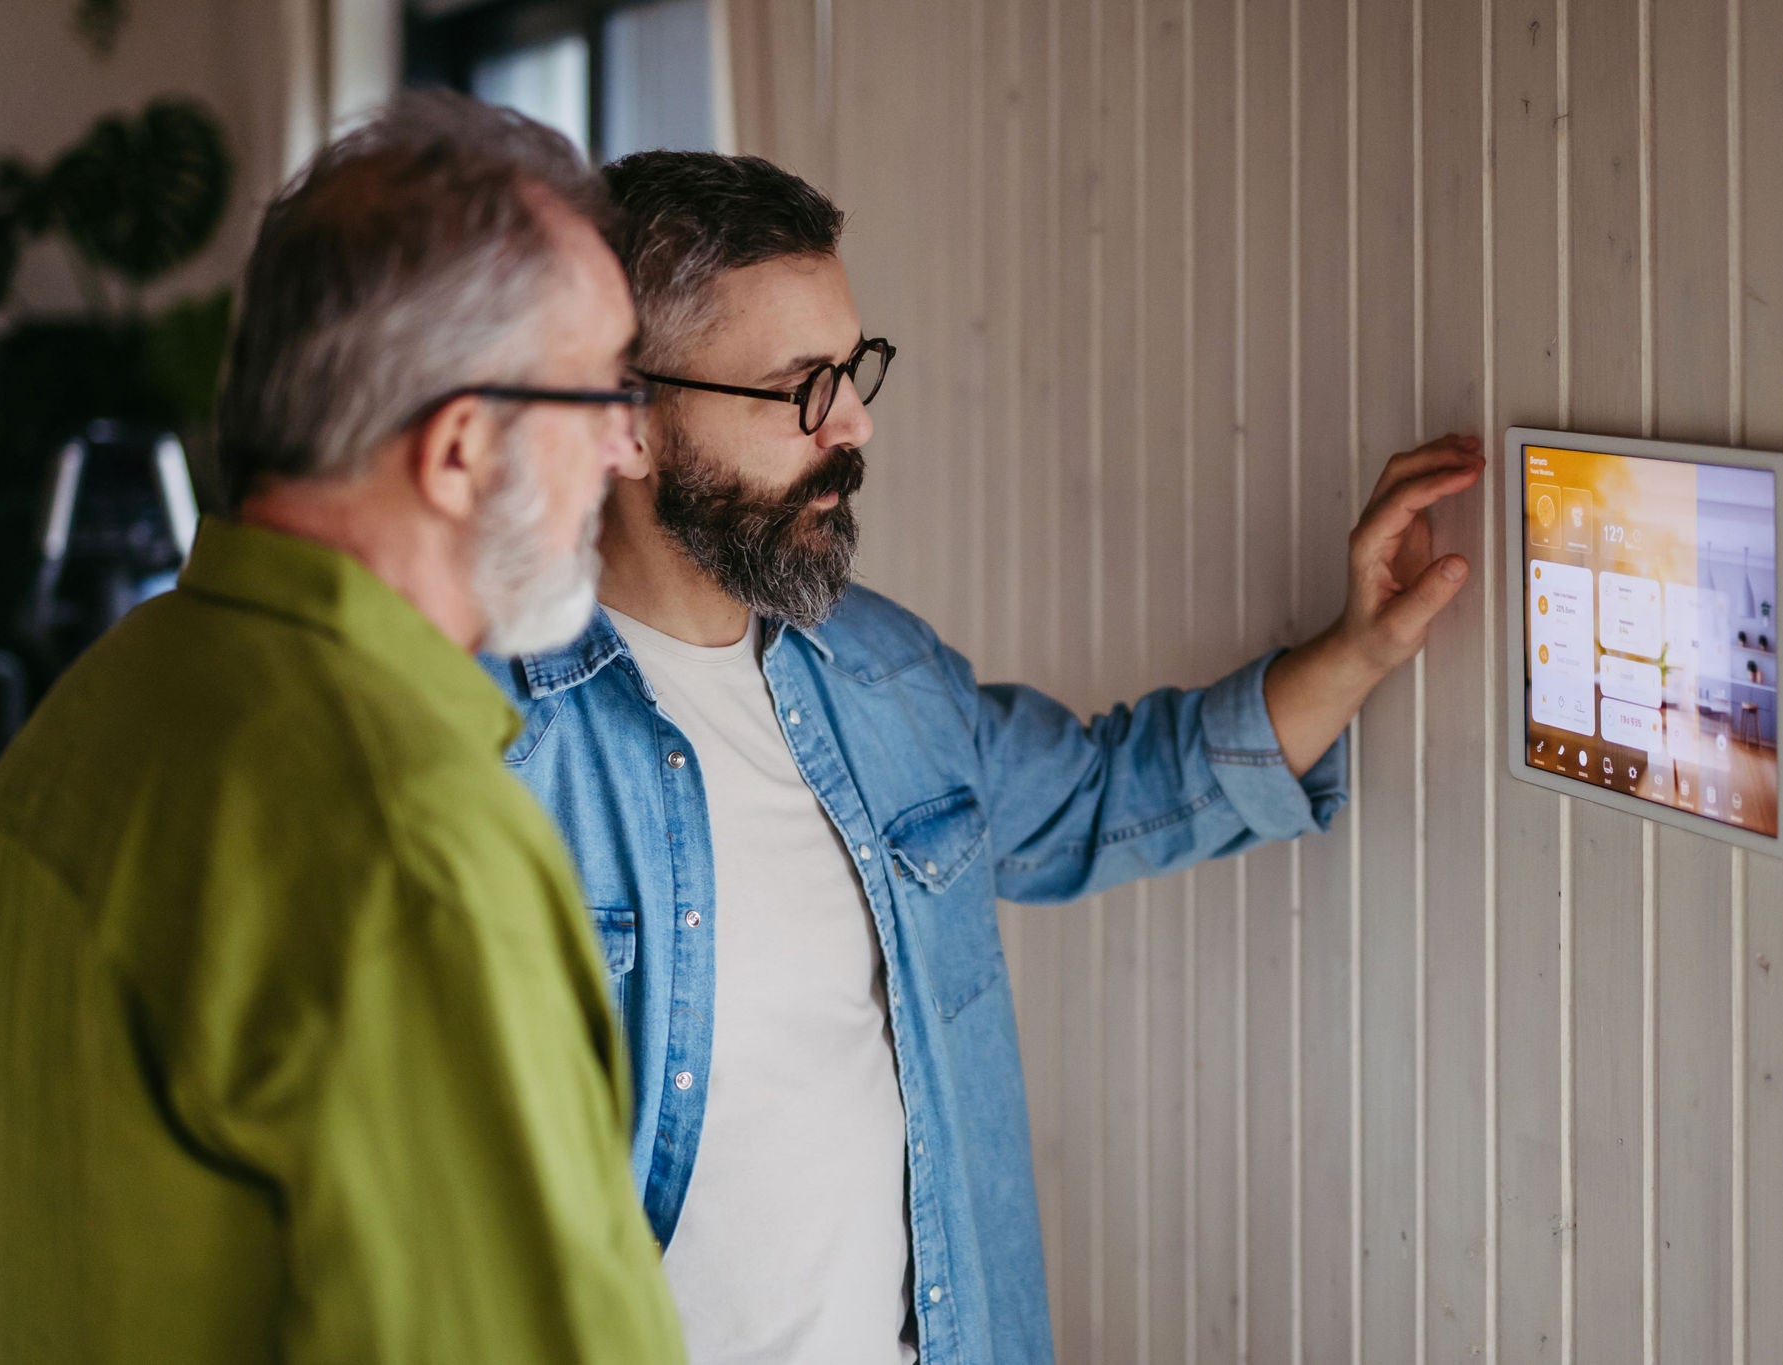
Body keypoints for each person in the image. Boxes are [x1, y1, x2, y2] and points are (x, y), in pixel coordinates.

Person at [481, 150, 1484, 1365]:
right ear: (626, 425)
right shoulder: (479, 751)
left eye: (851, 372)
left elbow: (1101, 798)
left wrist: (1359, 648)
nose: (849, 428)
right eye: (799, 387)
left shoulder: (882, 674)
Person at [0, 94, 683, 1364]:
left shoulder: (82, 726)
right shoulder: (407, 842)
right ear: (458, 449)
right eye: (603, 388)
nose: (625, 446)